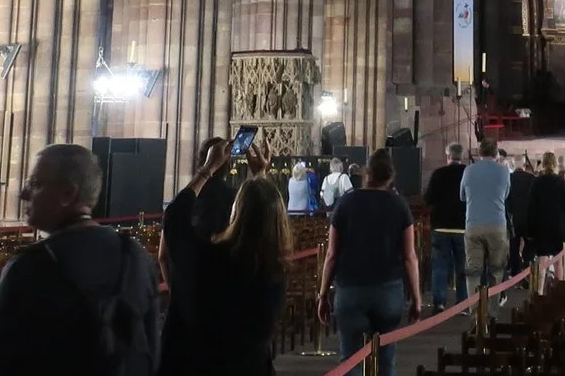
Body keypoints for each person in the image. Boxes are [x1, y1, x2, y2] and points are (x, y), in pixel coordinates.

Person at [0, 144, 162, 376]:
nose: (24, 193)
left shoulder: (32, 266)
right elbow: (152, 349)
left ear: (68, 194)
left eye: (36, 184)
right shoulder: (135, 255)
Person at [158, 140, 288, 376]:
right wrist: (260, 175)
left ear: (235, 213)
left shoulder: (209, 261)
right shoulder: (273, 272)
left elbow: (175, 217)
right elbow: (264, 213)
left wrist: (207, 169)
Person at [320, 148, 419, 376]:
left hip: (350, 290)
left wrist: (323, 294)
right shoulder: (399, 205)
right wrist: (416, 298)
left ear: (367, 172)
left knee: (351, 361)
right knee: (385, 361)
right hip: (387, 290)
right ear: (390, 175)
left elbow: (332, 255)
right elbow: (409, 256)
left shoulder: (346, 203)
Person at [159, 138, 241, 366]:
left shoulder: (184, 207)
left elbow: (163, 256)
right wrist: (259, 175)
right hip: (223, 321)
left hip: (182, 321)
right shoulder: (233, 201)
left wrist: (179, 292)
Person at [460, 137, 513, 292]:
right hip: (497, 224)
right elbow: (506, 194)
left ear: (479, 152)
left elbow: (462, 196)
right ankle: (493, 312)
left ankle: (475, 313)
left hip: (473, 224)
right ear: (496, 152)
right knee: (496, 271)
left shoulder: (468, 170)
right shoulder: (503, 171)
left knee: (473, 272)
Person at [423, 142, 467, 307]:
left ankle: (439, 302)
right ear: (461, 156)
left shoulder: (438, 174)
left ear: (448, 156)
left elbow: (428, 199)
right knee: (462, 268)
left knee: (440, 267)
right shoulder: (467, 172)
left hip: (441, 225)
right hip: (462, 226)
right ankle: (462, 303)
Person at [521, 151, 565, 279]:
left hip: (541, 226)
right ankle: (559, 290)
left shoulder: (537, 182)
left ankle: (539, 292)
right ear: (555, 164)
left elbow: (531, 207)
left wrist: (529, 230)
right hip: (558, 226)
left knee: (542, 261)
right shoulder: (560, 182)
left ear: (543, 164)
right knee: (558, 262)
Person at [505, 153, 536, 268]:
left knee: (513, 245)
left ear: (512, 164)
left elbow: (506, 199)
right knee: (530, 244)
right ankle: (527, 265)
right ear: (525, 164)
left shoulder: (508, 178)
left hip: (513, 218)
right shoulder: (532, 178)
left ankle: (515, 270)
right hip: (529, 218)